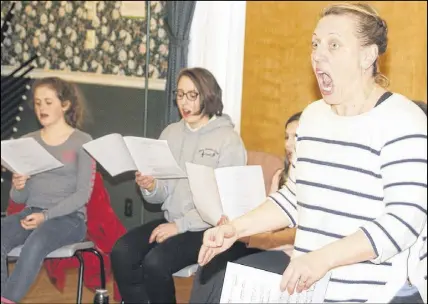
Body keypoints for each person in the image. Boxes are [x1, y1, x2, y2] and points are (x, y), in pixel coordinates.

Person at [197, 3, 427, 304]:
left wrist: (322, 260)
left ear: (368, 55)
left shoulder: (404, 120)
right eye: (315, 44)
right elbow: (295, 197)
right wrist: (235, 228)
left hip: (378, 294)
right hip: (310, 290)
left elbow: (403, 221)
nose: (318, 55)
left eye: (334, 44)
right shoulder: (313, 117)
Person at [110, 67, 258, 304]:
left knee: (156, 263)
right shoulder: (171, 133)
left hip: (207, 227)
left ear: (208, 96)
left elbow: (224, 204)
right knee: (121, 253)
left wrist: (180, 226)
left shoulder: (228, 140)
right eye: (180, 95)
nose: (184, 103)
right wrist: (150, 186)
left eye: (192, 95)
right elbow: (159, 196)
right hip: (173, 221)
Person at [190, 112, 302, 303]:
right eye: (286, 137)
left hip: (288, 254)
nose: (288, 144)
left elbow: (287, 235)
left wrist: (246, 234)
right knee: (209, 265)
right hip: (264, 244)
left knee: (227, 278)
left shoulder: (315, 183)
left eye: (296, 137)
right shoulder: (280, 177)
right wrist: (233, 225)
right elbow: (271, 222)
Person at [1, 77, 94, 304]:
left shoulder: (83, 142)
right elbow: (19, 198)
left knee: (36, 242)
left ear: (65, 105)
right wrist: (19, 184)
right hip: (31, 212)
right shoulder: (27, 141)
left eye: (48, 102)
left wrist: (46, 217)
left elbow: (83, 194)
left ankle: (7, 299)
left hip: (68, 219)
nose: (41, 108)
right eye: (38, 103)